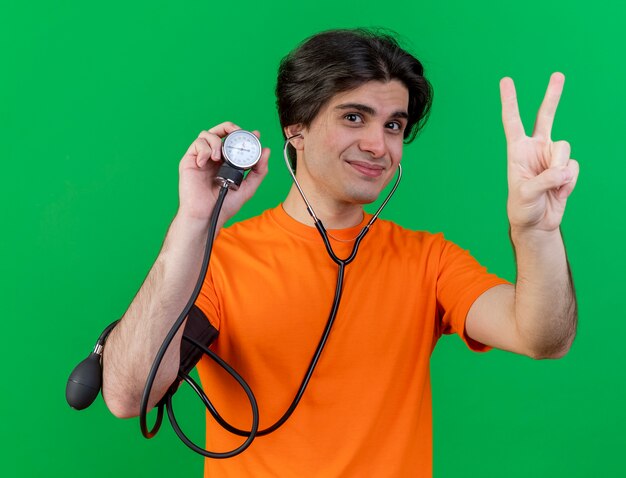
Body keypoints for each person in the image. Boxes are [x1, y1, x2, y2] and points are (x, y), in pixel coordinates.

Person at [101, 28, 579, 477]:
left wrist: (536, 231)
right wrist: (194, 224)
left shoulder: (428, 260)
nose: (378, 145)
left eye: (394, 125)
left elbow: (542, 337)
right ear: (297, 129)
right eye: (354, 117)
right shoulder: (219, 261)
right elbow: (128, 396)